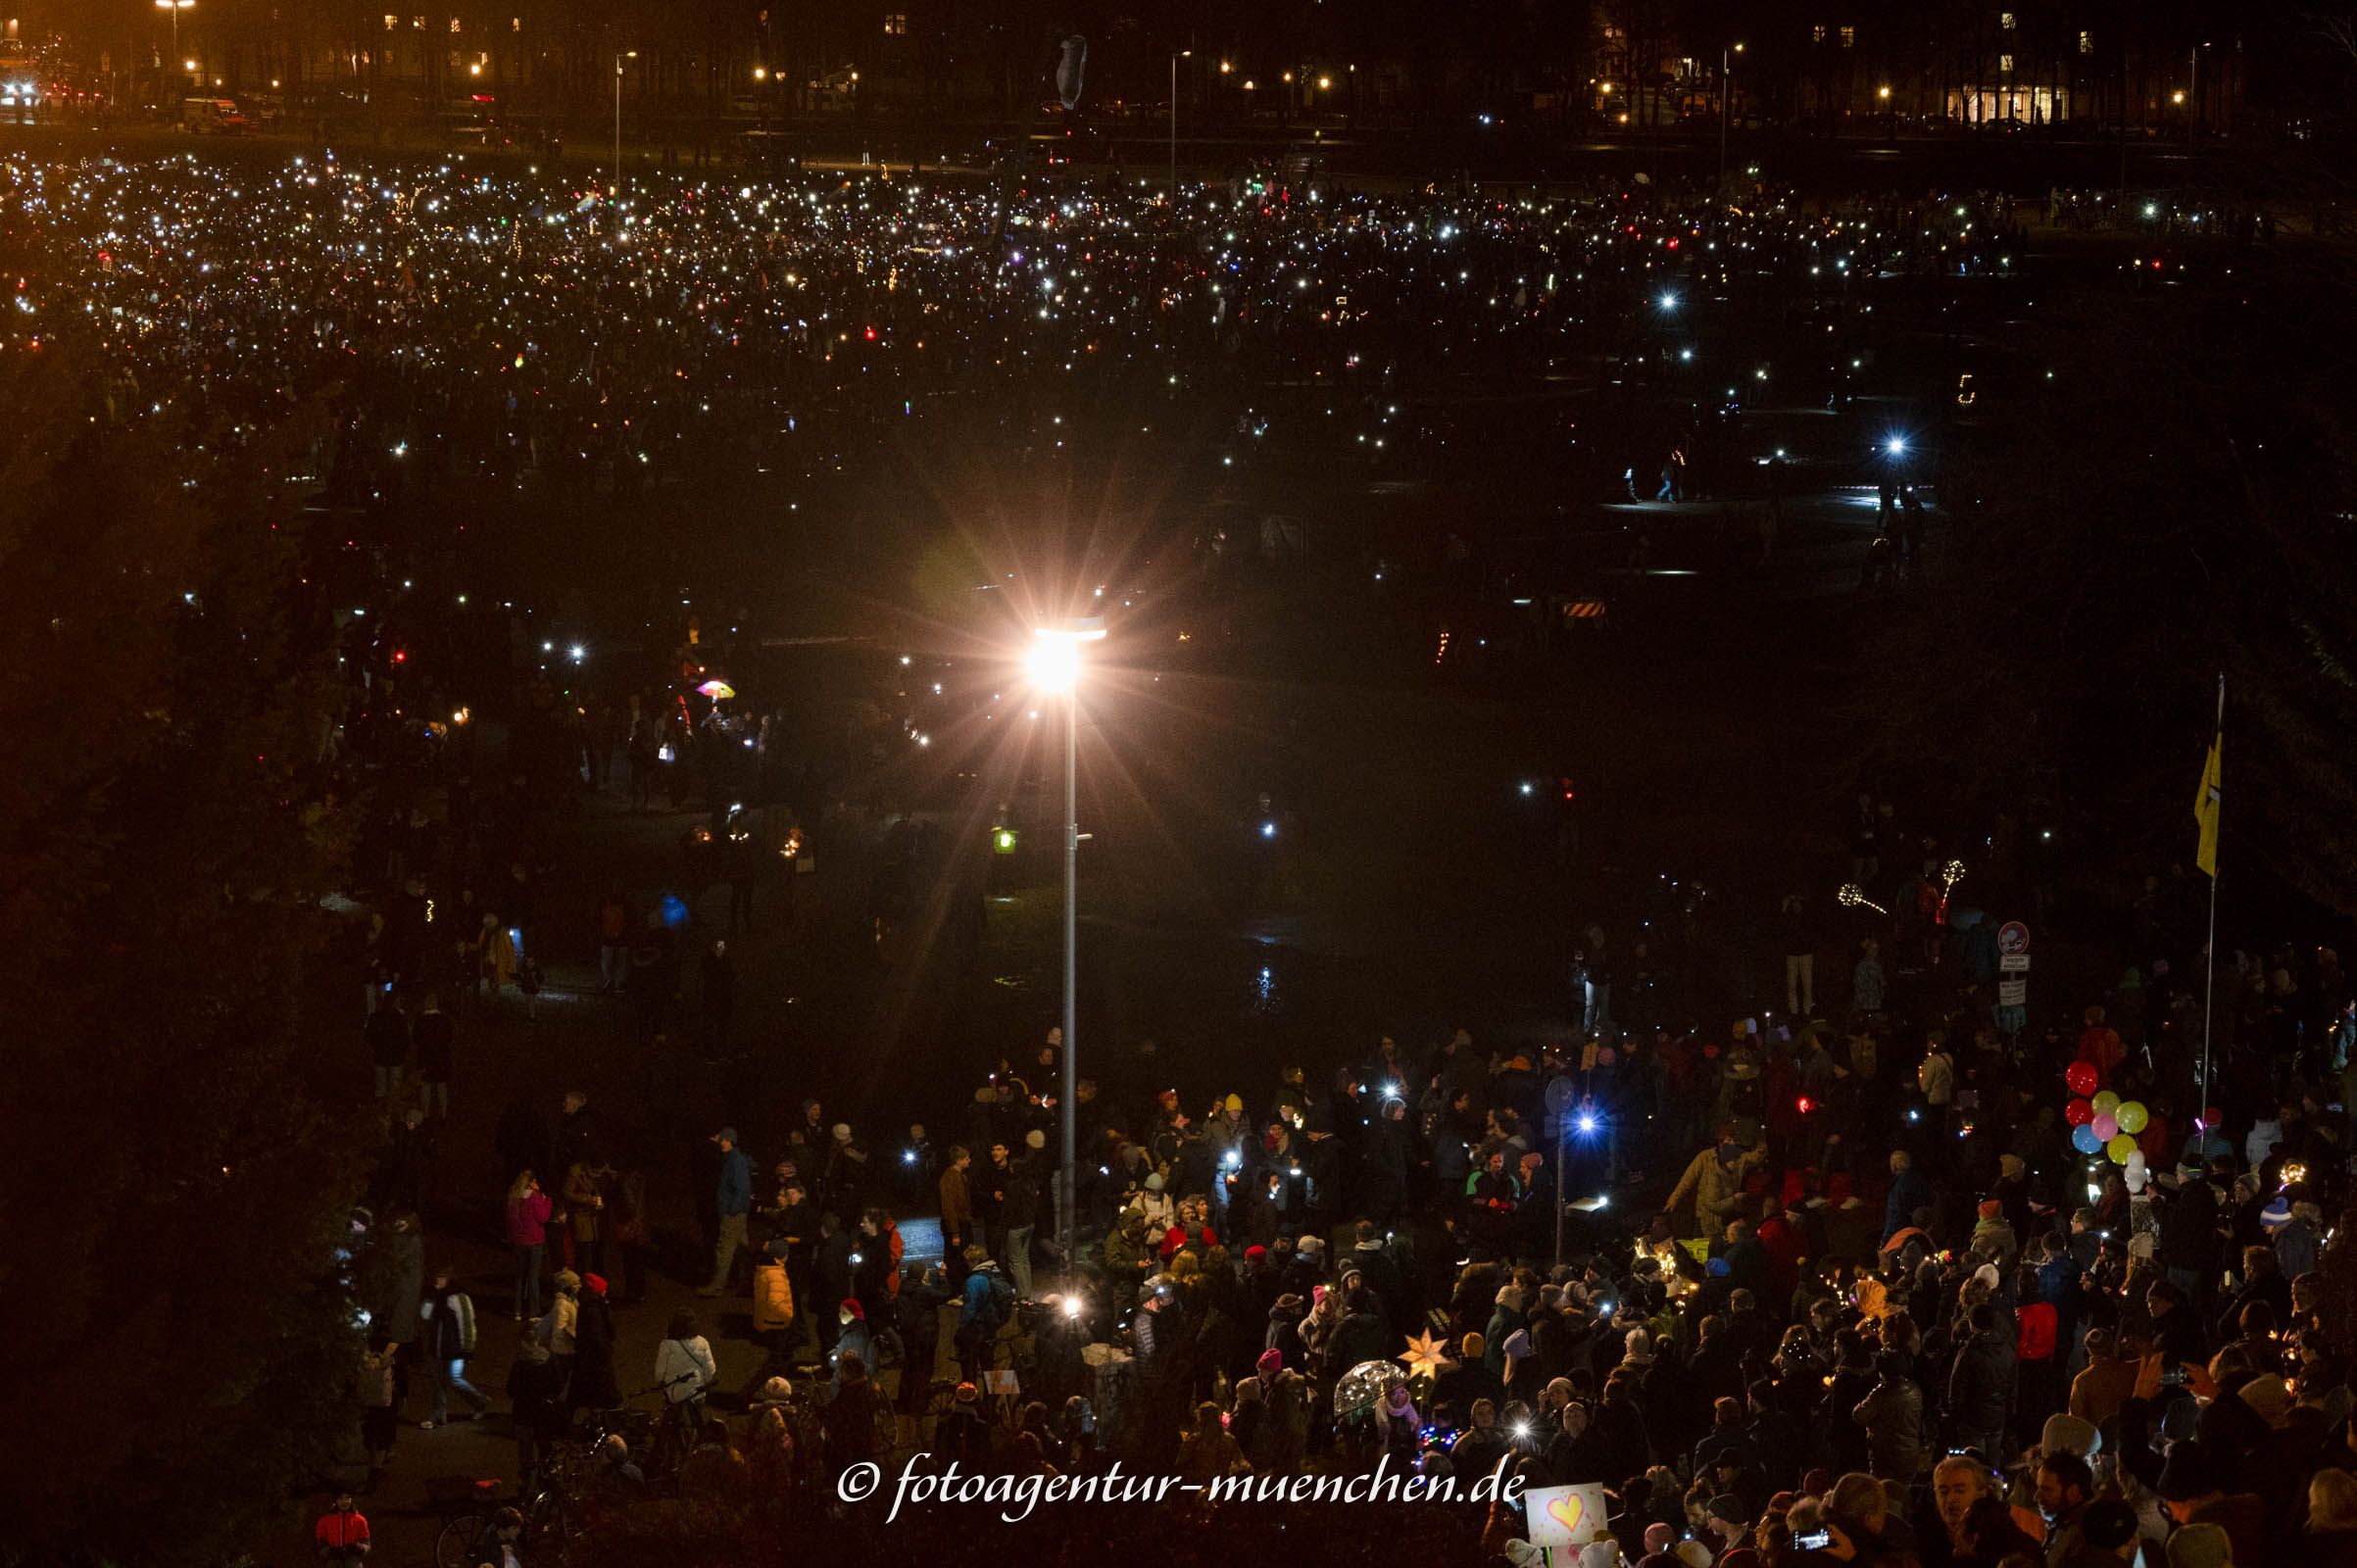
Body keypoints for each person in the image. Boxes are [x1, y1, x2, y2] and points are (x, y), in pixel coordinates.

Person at [418, 1271, 490, 1428]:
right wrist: (432, 1295)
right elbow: (424, 1315)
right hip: (437, 1348)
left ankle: (480, 1402)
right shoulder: (437, 1296)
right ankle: (439, 1417)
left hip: (454, 1350)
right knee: (438, 1383)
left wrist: (468, 1349)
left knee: (454, 1380)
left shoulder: (461, 1299)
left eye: (442, 1277)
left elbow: (467, 1325)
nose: (438, 1280)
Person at [702, 1125, 754, 1297]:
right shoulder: (732, 1160)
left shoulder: (735, 1162)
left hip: (733, 1214)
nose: (720, 1142)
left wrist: (731, 1210)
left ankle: (717, 1286)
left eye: (722, 1139)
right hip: (737, 1212)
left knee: (724, 1249)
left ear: (729, 1141)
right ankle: (748, 1279)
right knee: (741, 1248)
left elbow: (741, 1189)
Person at [657, 1309, 717, 1439]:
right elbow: (710, 1368)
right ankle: (701, 1440)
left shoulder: (666, 1345)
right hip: (696, 1390)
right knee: (699, 1417)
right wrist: (707, 1381)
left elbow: (660, 1369)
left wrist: (661, 1382)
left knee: (674, 1416)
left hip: (674, 1390)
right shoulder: (702, 1342)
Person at [503, 1169, 553, 1322]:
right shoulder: (534, 1198)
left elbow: (510, 1221)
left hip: (519, 1242)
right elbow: (543, 1217)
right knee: (533, 1277)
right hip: (535, 1241)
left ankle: (517, 1310)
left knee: (520, 1276)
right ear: (532, 1182)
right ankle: (533, 1312)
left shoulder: (513, 1198)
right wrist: (547, 1201)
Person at [313, 1490, 369, 1565]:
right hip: (333, 1563)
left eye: (347, 1498)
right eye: (340, 1498)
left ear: (351, 1499)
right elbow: (319, 1547)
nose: (344, 1501)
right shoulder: (324, 1521)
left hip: (354, 1563)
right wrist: (331, 1551)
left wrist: (357, 1547)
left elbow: (367, 1546)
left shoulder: (360, 1520)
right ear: (335, 1500)